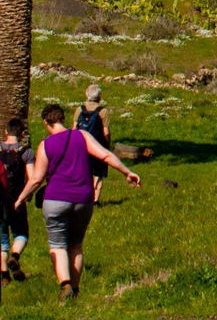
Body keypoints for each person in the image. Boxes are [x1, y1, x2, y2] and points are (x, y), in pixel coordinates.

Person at [14, 105, 141, 301]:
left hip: (55, 199)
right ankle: (75, 288)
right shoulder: (81, 136)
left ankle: (65, 285)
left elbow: (36, 179)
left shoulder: (46, 145)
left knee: (57, 245)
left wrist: (21, 198)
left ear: (46, 123)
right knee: (76, 245)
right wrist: (127, 172)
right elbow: (105, 155)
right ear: (63, 119)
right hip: (83, 199)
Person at [0, 119, 35, 287]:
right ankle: (15, 255)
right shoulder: (26, 152)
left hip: (0, 200)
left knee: (2, 238)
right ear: (21, 134)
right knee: (21, 233)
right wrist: (26, 195)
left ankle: (4, 276)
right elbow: (33, 177)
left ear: (6, 132)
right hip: (17, 199)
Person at [73, 84, 111, 206]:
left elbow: (74, 128)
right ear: (99, 96)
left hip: (81, 145)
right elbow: (106, 132)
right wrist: (107, 145)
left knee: (83, 171)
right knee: (98, 173)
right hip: (98, 146)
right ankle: (95, 200)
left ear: (87, 94)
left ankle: (83, 196)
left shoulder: (79, 109)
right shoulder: (103, 111)